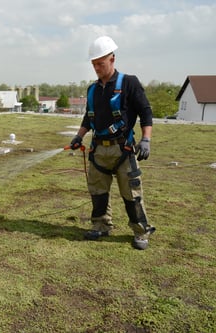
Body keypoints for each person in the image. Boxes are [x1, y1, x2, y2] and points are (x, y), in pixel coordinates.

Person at [69, 36, 155, 250]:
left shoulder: (129, 83)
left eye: (101, 63)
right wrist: (79, 136)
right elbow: (89, 118)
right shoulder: (92, 90)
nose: (97, 68)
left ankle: (140, 232)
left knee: (132, 195)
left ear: (112, 59)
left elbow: (146, 112)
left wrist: (146, 139)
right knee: (97, 191)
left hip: (123, 150)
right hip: (99, 150)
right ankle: (100, 225)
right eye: (94, 64)